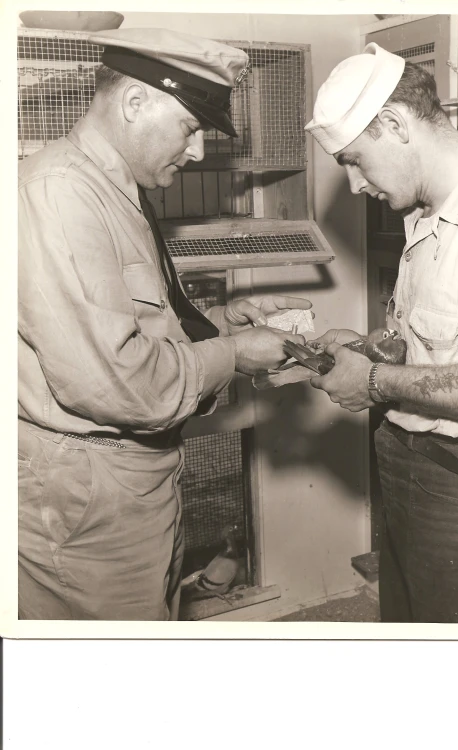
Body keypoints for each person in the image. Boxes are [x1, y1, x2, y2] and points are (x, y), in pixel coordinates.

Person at [18, 28, 309, 621]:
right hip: (90, 490)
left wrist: (222, 326)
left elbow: (127, 323)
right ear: (133, 103)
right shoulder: (61, 194)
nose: (198, 151)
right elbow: (114, 383)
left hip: (127, 476)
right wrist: (234, 355)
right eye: (190, 127)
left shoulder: (113, 187)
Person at [305, 43, 458, 623]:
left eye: (354, 160)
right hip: (405, 460)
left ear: (394, 124)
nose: (352, 185)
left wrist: (373, 379)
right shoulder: (423, 212)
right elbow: (439, 340)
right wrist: (374, 347)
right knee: (408, 626)